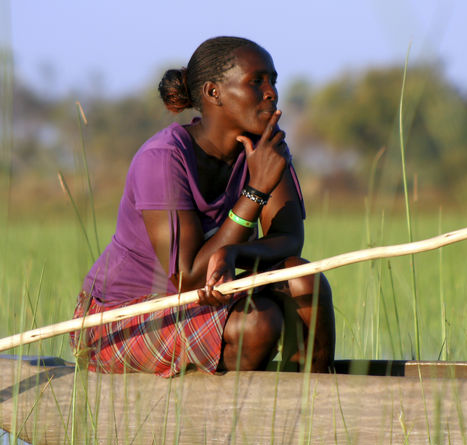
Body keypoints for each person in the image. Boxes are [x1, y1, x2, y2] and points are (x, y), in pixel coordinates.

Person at [71, 36, 335, 377]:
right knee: (258, 323)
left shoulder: (266, 148)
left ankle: (313, 401)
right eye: (256, 81)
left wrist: (235, 255)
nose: (271, 92)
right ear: (214, 93)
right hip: (120, 321)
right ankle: (219, 409)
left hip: (202, 302)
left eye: (273, 80)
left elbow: (288, 240)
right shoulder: (163, 158)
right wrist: (255, 191)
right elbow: (189, 278)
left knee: (304, 280)